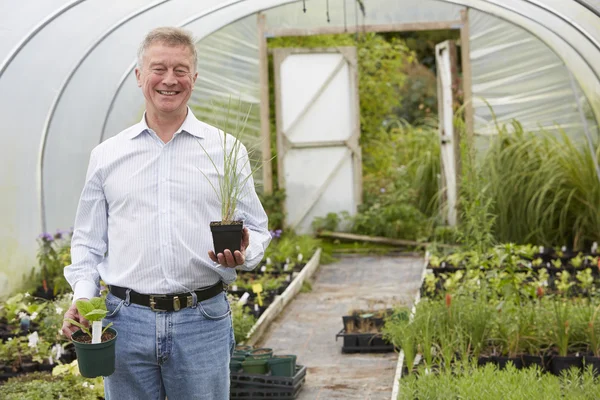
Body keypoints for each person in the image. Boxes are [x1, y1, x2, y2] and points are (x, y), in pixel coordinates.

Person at [62, 27, 271, 400]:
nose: (170, 80)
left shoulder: (225, 149)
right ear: (139, 75)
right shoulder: (108, 155)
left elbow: (256, 228)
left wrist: (245, 252)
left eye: (181, 69)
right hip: (125, 322)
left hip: (201, 320)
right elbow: (88, 242)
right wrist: (83, 295)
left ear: (194, 77)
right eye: (159, 69)